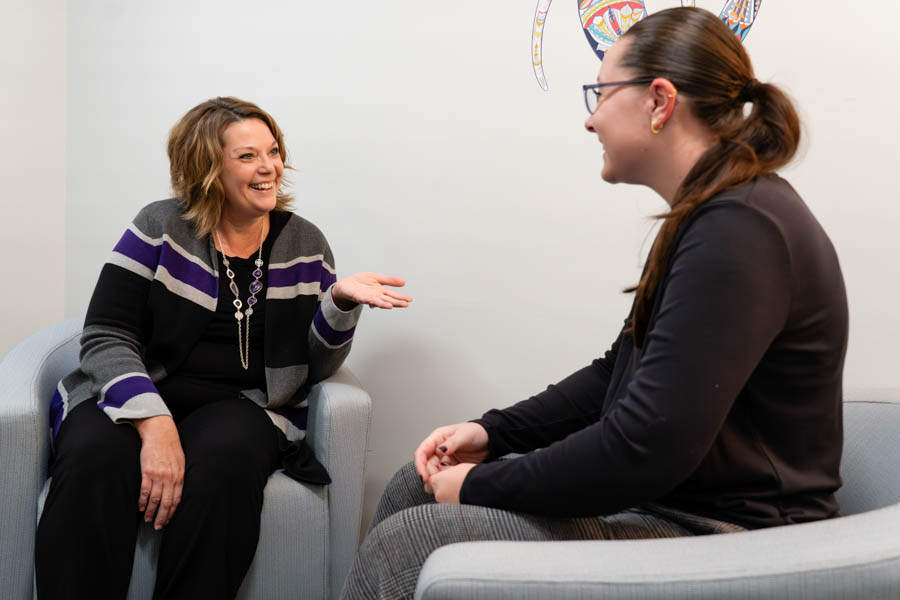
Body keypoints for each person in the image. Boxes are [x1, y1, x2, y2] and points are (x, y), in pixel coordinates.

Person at [340, 7, 848, 600]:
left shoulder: (740, 229)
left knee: (413, 542)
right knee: (414, 485)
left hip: (734, 538)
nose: (590, 119)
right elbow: (617, 374)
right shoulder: (713, 215)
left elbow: (642, 447)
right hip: (679, 515)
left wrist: (483, 484)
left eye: (601, 93)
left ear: (659, 101)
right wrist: (492, 433)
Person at [35, 96, 412, 600]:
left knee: (227, 462)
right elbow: (105, 335)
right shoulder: (159, 226)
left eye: (273, 152)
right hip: (145, 391)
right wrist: (155, 423)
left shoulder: (305, 242)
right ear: (207, 168)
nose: (268, 168)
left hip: (240, 404)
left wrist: (340, 303)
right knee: (93, 459)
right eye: (247, 156)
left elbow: (314, 366)